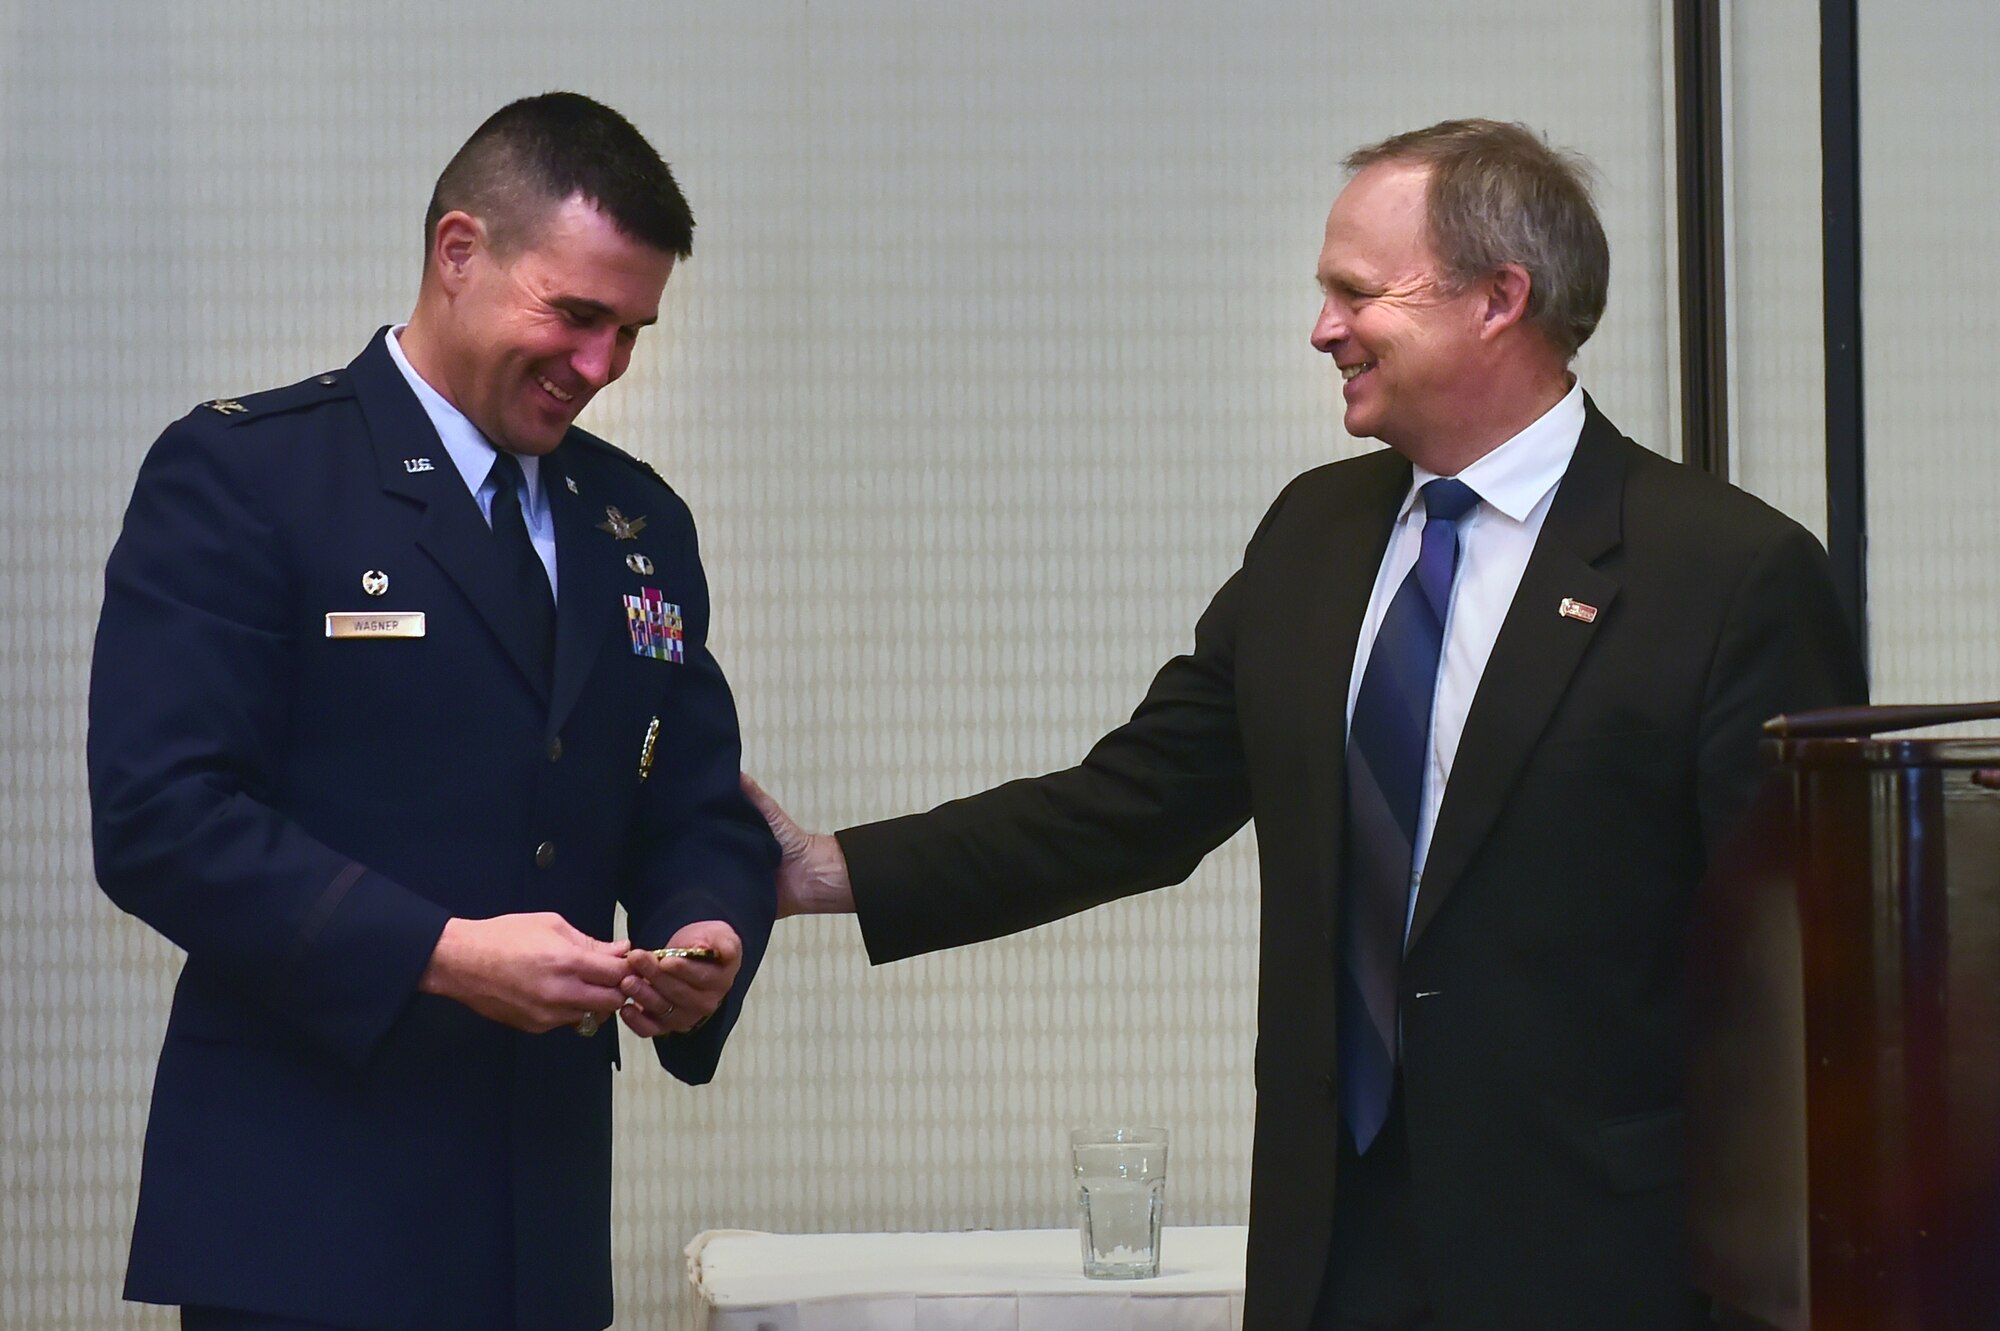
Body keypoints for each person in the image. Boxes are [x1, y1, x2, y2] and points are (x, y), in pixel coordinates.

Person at [749, 119, 1867, 1331]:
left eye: (1354, 292)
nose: (1322, 328)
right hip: (1330, 1252)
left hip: (1600, 1264)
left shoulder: (1728, 571)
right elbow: (1134, 802)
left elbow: (1803, 988)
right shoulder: (1314, 536)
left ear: (1500, 297)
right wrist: (830, 870)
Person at [88, 92, 776, 1331]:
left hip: (540, 1219)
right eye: (575, 315)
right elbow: (161, 817)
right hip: (303, 1217)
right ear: (459, 252)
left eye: (629, 330)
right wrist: (444, 954)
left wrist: (703, 931)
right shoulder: (250, 474)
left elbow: (694, 795)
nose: (601, 366)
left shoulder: (635, 521)